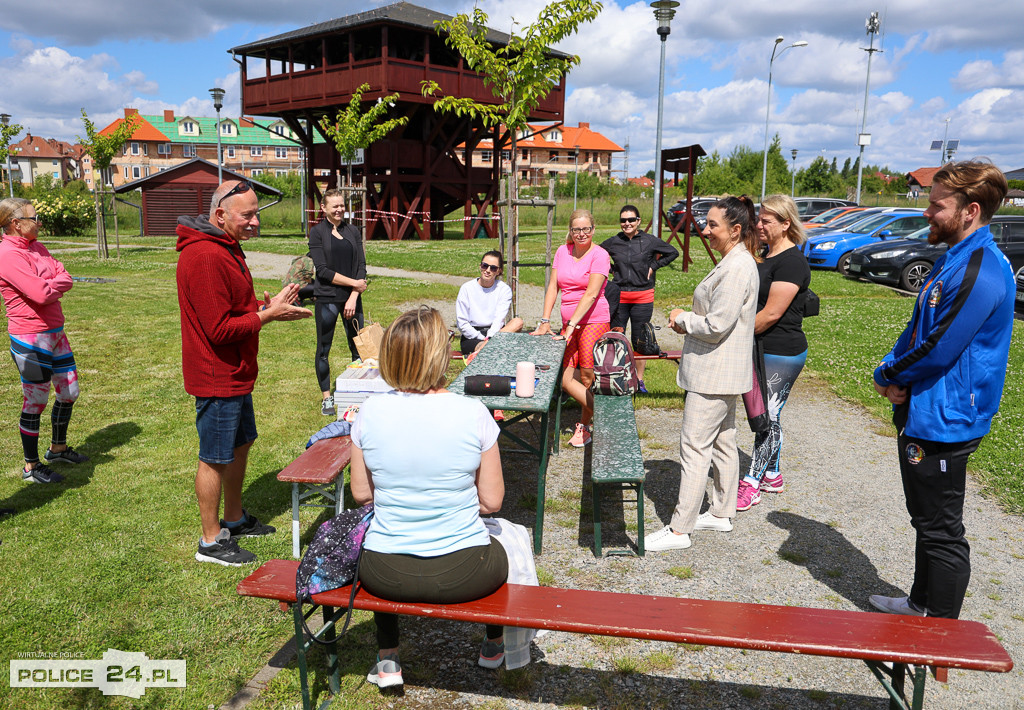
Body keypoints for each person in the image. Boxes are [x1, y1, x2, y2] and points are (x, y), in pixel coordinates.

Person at [869, 161, 1013, 620]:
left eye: (936, 204)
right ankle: (919, 605)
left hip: (946, 420)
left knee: (942, 530)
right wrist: (897, 375)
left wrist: (888, 375)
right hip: (926, 408)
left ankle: (941, 643)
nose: (927, 212)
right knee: (926, 521)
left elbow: (938, 348)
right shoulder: (955, 256)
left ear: (970, 211)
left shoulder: (980, 269)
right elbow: (919, 330)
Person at [350, 306, 508, 689]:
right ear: (440, 355)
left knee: (378, 533)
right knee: (503, 540)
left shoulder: (369, 413)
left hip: (384, 572)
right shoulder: (473, 412)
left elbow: (360, 494)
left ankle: (388, 660)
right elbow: (492, 502)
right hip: (465, 571)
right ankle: (493, 645)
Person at [176, 180, 311, 566]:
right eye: (247, 215)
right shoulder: (204, 255)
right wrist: (266, 316)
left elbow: (230, 306)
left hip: (236, 372)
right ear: (220, 216)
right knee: (215, 457)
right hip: (217, 375)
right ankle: (209, 541)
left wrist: (262, 306)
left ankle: (233, 519)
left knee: (240, 444)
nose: (255, 222)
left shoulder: (225, 247)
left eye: (257, 213)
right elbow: (218, 329)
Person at [647, 196, 760, 552]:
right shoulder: (735, 261)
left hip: (714, 373)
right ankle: (723, 512)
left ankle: (680, 529)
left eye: (713, 225)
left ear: (735, 230)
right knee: (724, 443)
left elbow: (717, 324)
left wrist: (682, 319)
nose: (706, 231)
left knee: (695, 447)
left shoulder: (738, 267)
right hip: (722, 372)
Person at [0, 197, 89, 484]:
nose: (39, 222)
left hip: (55, 331)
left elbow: (65, 277)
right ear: (16, 224)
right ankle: (31, 466)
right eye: (34, 217)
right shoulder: (7, 254)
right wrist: (50, 283)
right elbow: (39, 294)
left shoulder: (36, 246)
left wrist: (51, 283)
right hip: (30, 336)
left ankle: (58, 449)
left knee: (69, 391)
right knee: (36, 400)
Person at [736, 195, 811, 511]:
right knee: (771, 413)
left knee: (767, 415)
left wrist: (731, 336)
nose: (759, 225)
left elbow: (770, 314)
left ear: (786, 223)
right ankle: (773, 475)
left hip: (782, 351)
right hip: (763, 347)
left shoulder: (792, 262)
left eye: (766, 220)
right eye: (759, 219)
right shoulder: (766, 255)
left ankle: (751, 483)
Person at [532, 209, 611, 447]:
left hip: (593, 321)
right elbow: (553, 287)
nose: (581, 234)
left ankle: (586, 426)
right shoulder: (562, 252)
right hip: (570, 324)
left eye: (586, 229)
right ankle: (607, 416)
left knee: (587, 377)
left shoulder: (600, 255)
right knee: (565, 378)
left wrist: (571, 327)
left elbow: (591, 294)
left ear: (593, 230)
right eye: (576, 229)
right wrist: (545, 321)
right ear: (571, 231)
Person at [600, 205, 679, 393]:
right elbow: (597, 254)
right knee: (617, 337)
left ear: (638, 221)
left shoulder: (650, 241)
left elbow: (673, 252)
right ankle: (617, 378)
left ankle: (639, 381)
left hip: (643, 296)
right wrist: (611, 269)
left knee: (640, 340)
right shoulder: (613, 242)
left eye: (631, 220)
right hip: (619, 296)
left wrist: (654, 266)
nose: (627, 223)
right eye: (623, 220)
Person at [307, 189, 368, 417]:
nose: (340, 209)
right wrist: (355, 283)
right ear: (324, 208)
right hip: (327, 299)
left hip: (352, 299)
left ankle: (359, 394)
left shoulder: (352, 231)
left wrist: (354, 294)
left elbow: (362, 265)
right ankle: (326, 397)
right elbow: (322, 271)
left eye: (342, 205)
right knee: (324, 349)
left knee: (358, 349)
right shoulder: (317, 233)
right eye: (335, 206)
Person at [455, 250, 524, 356]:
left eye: (493, 268)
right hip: (472, 336)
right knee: (487, 348)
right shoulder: (466, 288)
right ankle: (488, 348)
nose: (488, 270)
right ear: (480, 266)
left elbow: (499, 319)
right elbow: (462, 323)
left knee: (517, 322)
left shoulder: (504, 289)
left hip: (496, 333)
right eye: (485, 266)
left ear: (499, 271)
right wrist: (482, 338)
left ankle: (489, 346)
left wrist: (491, 337)